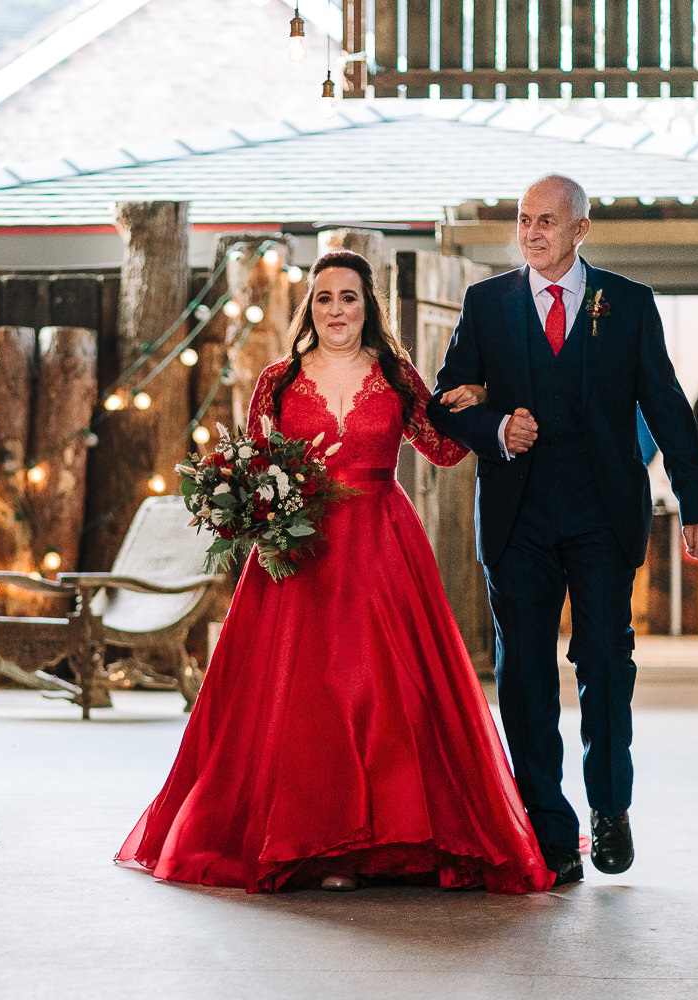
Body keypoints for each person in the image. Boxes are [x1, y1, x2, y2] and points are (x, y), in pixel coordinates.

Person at [116, 250, 554, 894]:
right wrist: (243, 499)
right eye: (324, 298)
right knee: (306, 697)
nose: (336, 310)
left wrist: (475, 400)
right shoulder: (279, 380)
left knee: (377, 690)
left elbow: (442, 449)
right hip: (302, 555)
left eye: (348, 297)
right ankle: (314, 841)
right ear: (310, 308)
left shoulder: (397, 377)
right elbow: (255, 462)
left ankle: (389, 836)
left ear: (367, 306)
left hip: (382, 548)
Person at [428, 174, 698, 885]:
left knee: (606, 665)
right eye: (524, 219)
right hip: (518, 519)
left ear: (580, 229)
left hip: (601, 516)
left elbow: (668, 407)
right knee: (524, 674)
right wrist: (496, 426)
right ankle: (548, 827)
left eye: (547, 221)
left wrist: (696, 503)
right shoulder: (487, 303)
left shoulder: (629, 303)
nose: (531, 233)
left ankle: (610, 809)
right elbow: (444, 403)